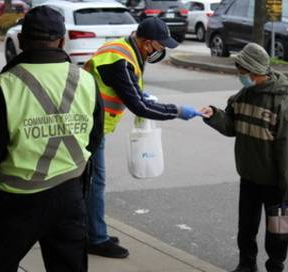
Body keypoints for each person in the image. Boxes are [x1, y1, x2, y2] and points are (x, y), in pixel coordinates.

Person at [0, 6, 103, 272]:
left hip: (18, 201)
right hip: (70, 196)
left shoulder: (5, 86)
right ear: (62, 41)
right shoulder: (86, 80)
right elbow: (94, 140)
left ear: (22, 40)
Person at [83, 17, 200, 258]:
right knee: (95, 181)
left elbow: (130, 91)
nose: (160, 51)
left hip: (91, 120)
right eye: (159, 46)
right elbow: (139, 107)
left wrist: (140, 94)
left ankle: (91, 229)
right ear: (147, 43)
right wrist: (177, 111)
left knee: (89, 180)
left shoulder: (125, 49)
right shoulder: (121, 60)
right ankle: (95, 238)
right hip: (88, 125)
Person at [199, 43, 288, 272]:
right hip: (249, 176)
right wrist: (214, 115)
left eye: (242, 70)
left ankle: (275, 265)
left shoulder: (281, 102)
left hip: (275, 180)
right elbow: (231, 126)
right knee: (246, 227)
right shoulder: (242, 96)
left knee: (277, 230)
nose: (240, 75)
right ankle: (247, 264)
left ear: (254, 71)